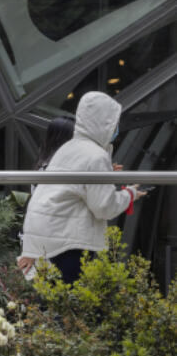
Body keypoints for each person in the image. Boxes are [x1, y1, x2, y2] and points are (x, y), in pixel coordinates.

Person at [18, 92, 143, 284]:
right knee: (72, 304)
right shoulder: (95, 156)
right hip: (68, 240)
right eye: (114, 122)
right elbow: (104, 207)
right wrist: (129, 194)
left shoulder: (69, 148)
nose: (116, 128)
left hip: (48, 237)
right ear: (104, 123)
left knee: (55, 303)